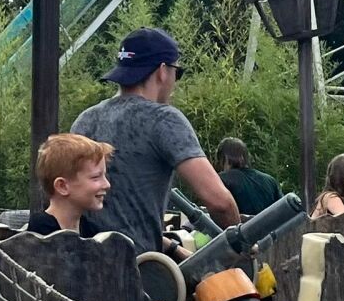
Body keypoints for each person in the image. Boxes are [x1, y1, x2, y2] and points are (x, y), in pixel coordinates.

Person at [71, 28, 239, 255]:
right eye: (177, 72)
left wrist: (173, 247)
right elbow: (220, 202)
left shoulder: (84, 120)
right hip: (136, 267)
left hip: (84, 260)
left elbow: (113, 219)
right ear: (162, 71)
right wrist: (241, 244)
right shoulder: (163, 119)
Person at [26, 133, 112, 237]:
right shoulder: (40, 233)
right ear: (62, 186)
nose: (107, 184)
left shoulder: (91, 230)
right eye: (96, 177)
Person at [216, 137, 282, 216]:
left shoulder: (220, 180)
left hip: (239, 224)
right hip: (272, 223)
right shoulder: (270, 180)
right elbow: (283, 211)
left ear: (222, 159)